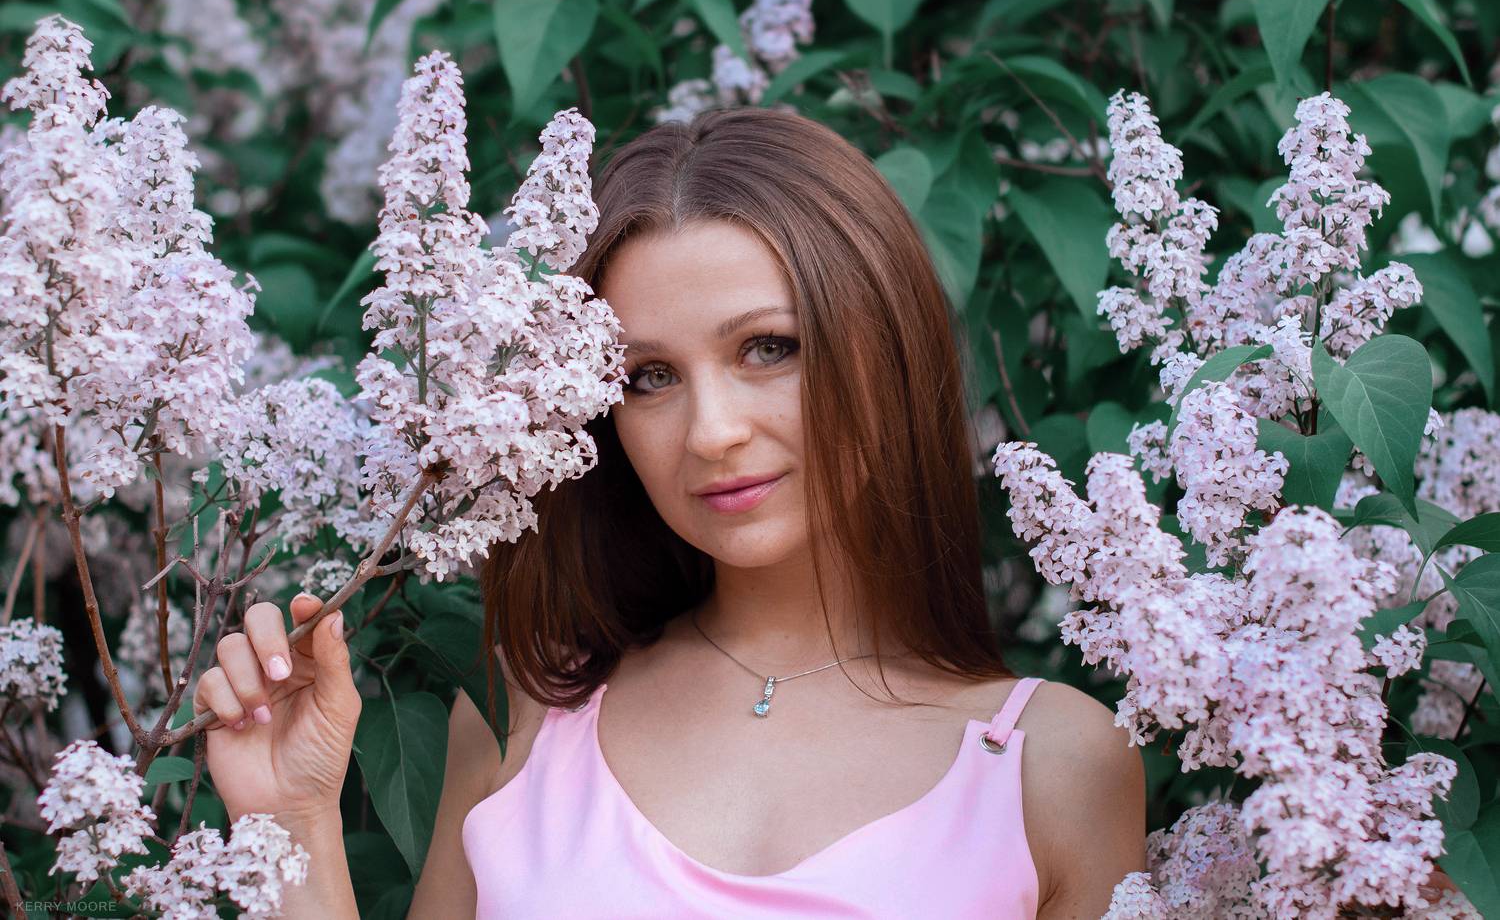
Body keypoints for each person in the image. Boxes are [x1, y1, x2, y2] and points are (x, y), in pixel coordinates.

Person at [193, 108, 1146, 918]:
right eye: (650, 378)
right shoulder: (519, 712)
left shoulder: (1051, 768)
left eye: (769, 349)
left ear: (886, 345)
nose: (712, 432)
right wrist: (292, 824)